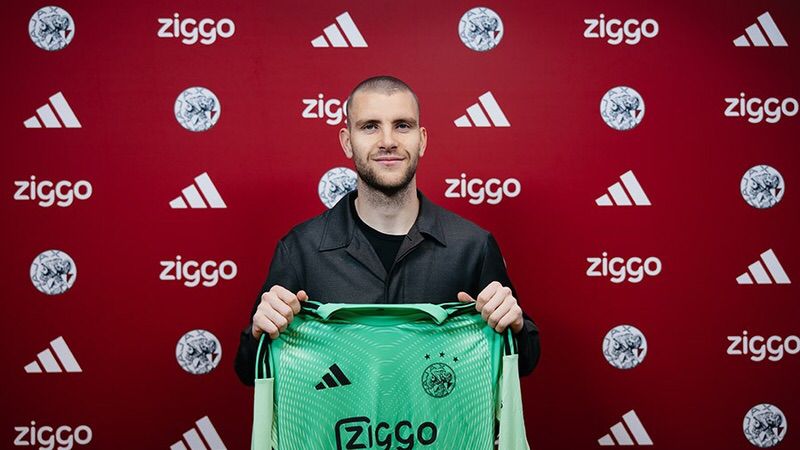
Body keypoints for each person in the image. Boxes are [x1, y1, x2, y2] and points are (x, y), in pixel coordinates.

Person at [235, 76, 540, 386]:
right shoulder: (300, 249)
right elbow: (249, 371)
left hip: (439, 420)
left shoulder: (472, 247)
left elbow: (525, 361)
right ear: (347, 141)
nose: (388, 141)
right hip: (340, 419)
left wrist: (513, 326)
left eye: (402, 125)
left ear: (422, 140)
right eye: (370, 126)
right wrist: (260, 334)